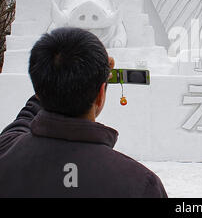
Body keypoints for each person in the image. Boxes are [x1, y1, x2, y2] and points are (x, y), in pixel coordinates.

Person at [0, 27, 167, 197]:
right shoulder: (141, 184)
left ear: (38, 84)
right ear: (100, 95)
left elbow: (25, 118)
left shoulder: (5, 149)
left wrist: (53, 78)